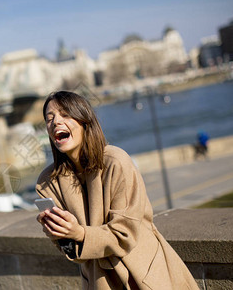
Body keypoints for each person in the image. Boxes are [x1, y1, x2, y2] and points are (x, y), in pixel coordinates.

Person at [36, 91, 199, 290]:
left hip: (144, 274)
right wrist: (58, 234)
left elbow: (125, 235)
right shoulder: (47, 183)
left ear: (84, 121)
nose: (55, 122)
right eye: (49, 118)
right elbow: (74, 253)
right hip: (99, 281)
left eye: (65, 114)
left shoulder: (116, 162)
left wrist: (79, 233)